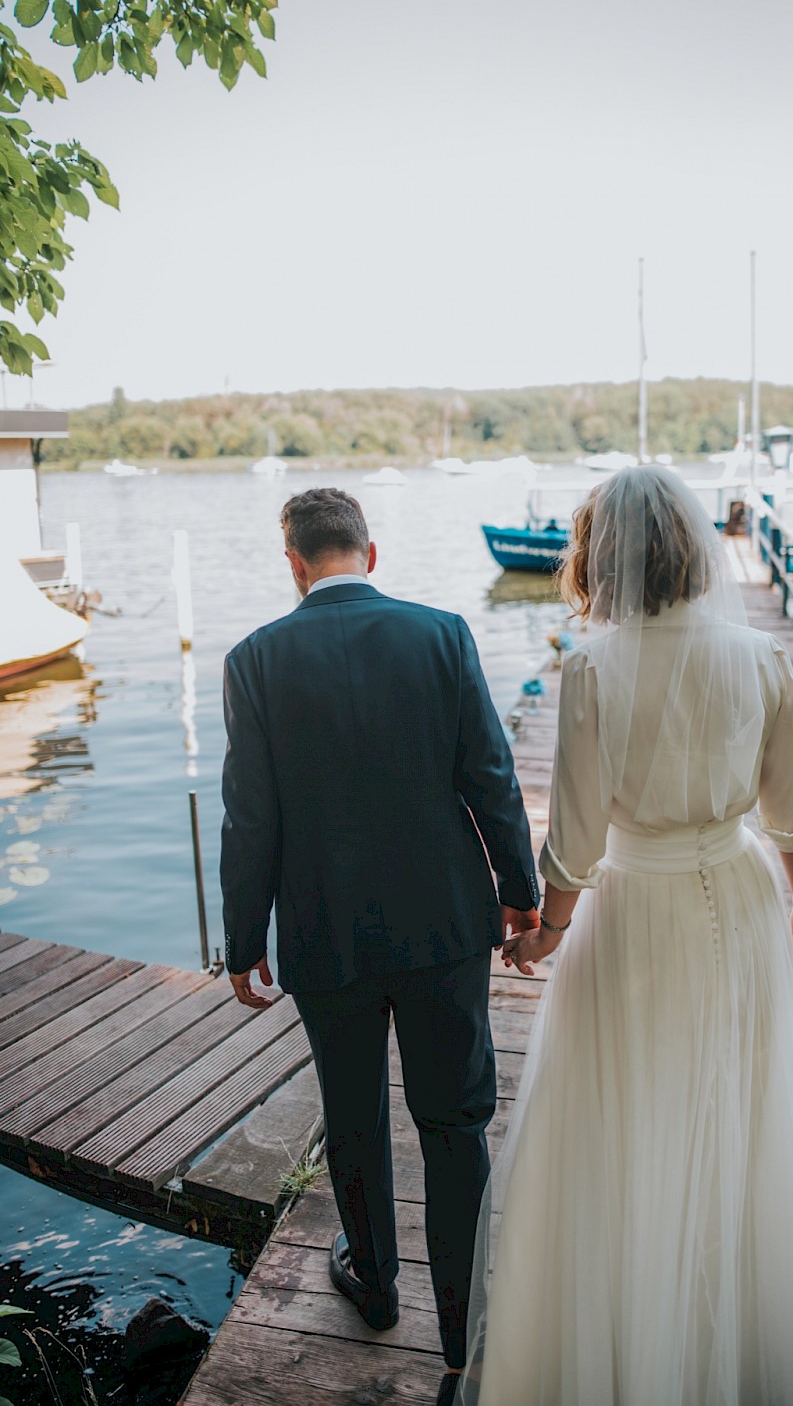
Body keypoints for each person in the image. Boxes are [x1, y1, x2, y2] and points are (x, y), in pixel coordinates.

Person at [459, 465, 793, 1406]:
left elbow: (575, 844)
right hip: (741, 902)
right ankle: (732, 1351)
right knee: (732, 1114)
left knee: (622, 1120)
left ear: (603, 557)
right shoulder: (759, 657)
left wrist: (546, 932)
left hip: (635, 910)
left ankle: (631, 1352)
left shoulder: (591, 667)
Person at [220, 487, 540, 1406]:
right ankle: (461, 1332)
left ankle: (373, 1285)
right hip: (444, 925)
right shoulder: (441, 635)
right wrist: (519, 891)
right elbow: (491, 773)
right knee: (454, 1122)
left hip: (326, 935)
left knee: (353, 1114)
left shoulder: (255, 660)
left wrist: (244, 938)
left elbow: (252, 819)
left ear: (293, 562)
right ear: (372, 550)